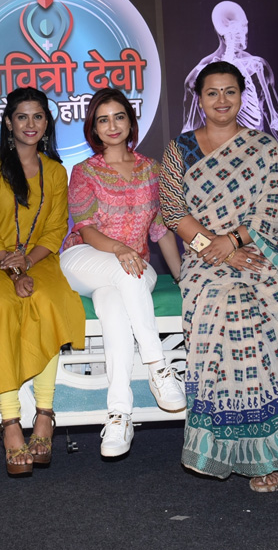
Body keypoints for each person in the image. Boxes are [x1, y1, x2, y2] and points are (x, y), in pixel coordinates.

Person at [159, 61, 278, 491]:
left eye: (230, 91)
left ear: (242, 95)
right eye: (213, 92)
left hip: (257, 248)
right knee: (229, 313)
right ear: (199, 99)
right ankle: (255, 460)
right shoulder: (179, 149)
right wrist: (212, 247)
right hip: (203, 259)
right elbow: (173, 211)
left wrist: (233, 242)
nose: (222, 100)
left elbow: (274, 206)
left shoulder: (263, 146)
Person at [0, 87, 85, 477]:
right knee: (0, 304)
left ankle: (44, 414)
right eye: (22, 116)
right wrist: (12, 270)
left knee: (50, 300)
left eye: (38, 116)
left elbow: (56, 228)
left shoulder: (56, 170)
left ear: (47, 123)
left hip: (39, 259)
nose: (30, 124)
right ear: (8, 122)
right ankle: (10, 422)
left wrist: (29, 265)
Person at [59, 87, 184, 457]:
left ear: (131, 122)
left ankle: (118, 415)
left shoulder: (152, 170)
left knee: (115, 308)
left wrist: (180, 278)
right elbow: (85, 227)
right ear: (93, 129)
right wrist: (120, 248)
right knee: (124, 271)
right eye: (103, 120)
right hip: (84, 259)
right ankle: (159, 368)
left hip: (133, 268)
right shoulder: (84, 171)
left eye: (119, 117)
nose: (112, 126)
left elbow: (161, 231)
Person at [181, 1, 278, 195]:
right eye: (241, 27)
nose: (246, 31)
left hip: (254, 162)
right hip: (213, 169)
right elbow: (189, 131)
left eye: (246, 26)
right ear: (226, 28)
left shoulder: (256, 67)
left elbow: (276, 120)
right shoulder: (198, 75)